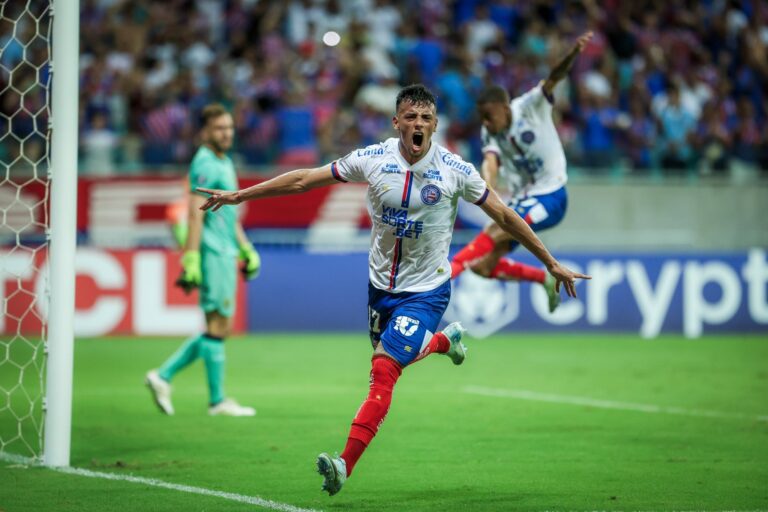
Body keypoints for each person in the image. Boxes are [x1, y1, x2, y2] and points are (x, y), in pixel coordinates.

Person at [198, 85, 590, 494]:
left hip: (428, 291)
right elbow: (303, 180)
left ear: (435, 125)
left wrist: (549, 262)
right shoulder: (372, 159)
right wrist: (241, 195)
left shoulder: (456, 170)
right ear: (396, 122)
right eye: (410, 117)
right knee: (388, 359)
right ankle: (442, 343)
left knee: (383, 371)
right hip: (380, 288)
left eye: (425, 118)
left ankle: (343, 464)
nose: (418, 125)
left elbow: (506, 216)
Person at [450, 32, 594, 313]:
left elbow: (554, 77)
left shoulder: (530, 106)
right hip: (521, 201)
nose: (486, 123)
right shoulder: (490, 131)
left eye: (490, 117)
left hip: (551, 196)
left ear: (505, 109)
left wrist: (572, 54)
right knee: (483, 266)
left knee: (495, 230)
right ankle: (541, 278)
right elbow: (490, 162)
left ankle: (446, 273)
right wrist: (487, 187)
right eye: (482, 118)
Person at [145, 103, 262, 417]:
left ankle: (165, 377)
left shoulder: (223, 162)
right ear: (205, 131)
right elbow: (194, 216)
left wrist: (245, 248)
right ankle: (214, 400)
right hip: (212, 253)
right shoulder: (205, 162)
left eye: (229, 128)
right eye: (219, 128)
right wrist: (192, 258)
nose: (226, 133)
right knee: (217, 325)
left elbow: (229, 215)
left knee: (217, 326)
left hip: (224, 251)